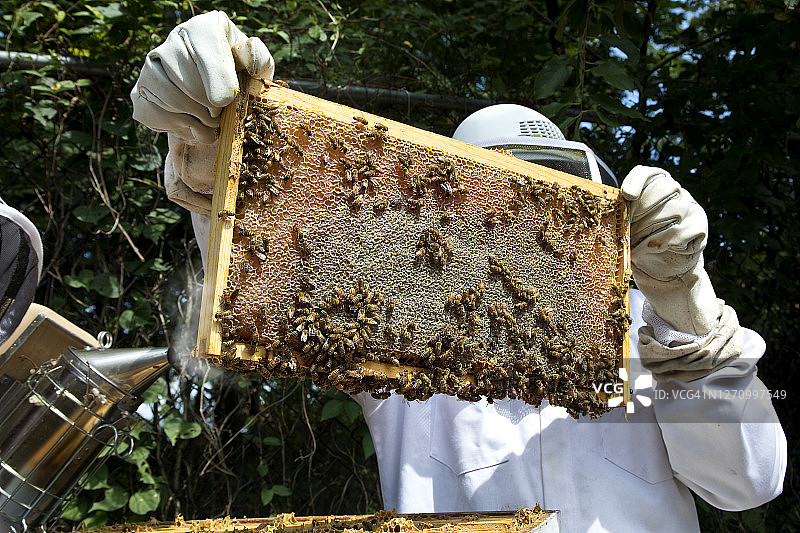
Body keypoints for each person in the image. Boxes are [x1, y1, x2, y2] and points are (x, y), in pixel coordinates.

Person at [131, 11, 787, 532]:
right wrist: (217, 144)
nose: (525, 231)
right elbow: (276, 266)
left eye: (550, 202)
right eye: (494, 202)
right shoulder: (401, 326)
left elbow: (748, 480)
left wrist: (686, 299)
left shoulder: (656, 333)